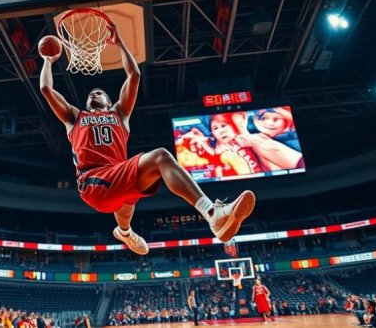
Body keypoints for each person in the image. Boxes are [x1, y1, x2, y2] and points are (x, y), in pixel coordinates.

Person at [39, 23, 256, 255]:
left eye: (100, 93)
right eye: (91, 93)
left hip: (114, 178)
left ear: (108, 101)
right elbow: (45, 88)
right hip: (92, 181)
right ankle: (212, 213)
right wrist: (48, 61)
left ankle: (124, 232)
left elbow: (134, 74)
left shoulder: (120, 113)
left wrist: (119, 43)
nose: (94, 93)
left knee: (128, 196)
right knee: (160, 156)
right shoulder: (74, 117)